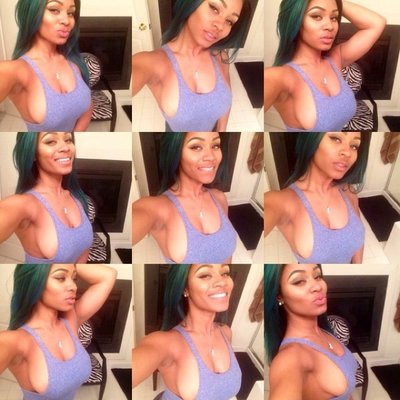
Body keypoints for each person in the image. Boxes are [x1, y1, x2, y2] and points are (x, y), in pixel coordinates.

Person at [264, 0, 386, 131]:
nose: (330, 26)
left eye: (334, 17)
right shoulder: (282, 77)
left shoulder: (336, 58)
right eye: (316, 16)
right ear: (295, 20)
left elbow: (377, 23)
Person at [0, 263, 117, 400]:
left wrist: (68, 264)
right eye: (60, 278)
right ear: (34, 282)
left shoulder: (70, 320)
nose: (74, 286)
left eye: (74, 278)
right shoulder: (16, 341)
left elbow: (108, 275)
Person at [132, 0, 251, 132]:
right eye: (214, 8)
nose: (220, 26)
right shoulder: (153, 63)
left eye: (230, 21)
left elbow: (226, 98)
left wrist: (221, 131)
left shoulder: (221, 56)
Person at [132, 264, 241, 400]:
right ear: (185, 288)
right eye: (205, 275)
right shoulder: (165, 343)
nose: (222, 282)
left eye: (225, 273)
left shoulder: (226, 332)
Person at [264, 132, 370, 264]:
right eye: (336, 139)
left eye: (354, 146)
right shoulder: (281, 202)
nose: (348, 153)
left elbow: (358, 235)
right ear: (311, 140)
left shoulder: (348, 191)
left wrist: (357, 267)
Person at [132, 132, 237, 263]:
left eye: (215, 145)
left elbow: (226, 260)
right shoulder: (157, 208)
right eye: (196, 147)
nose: (211, 156)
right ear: (175, 152)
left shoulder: (220, 198)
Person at [265, 264, 357, 400]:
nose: (318, 286)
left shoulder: (324, 331)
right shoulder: (289, 359)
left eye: (317, 276)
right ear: (279, 296)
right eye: (299, 281)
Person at [0, 132, 93, 263]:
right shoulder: (24, 204)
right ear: (32, 153)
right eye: (50, 141)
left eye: (68, 140)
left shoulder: (76, 197)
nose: (65, 147)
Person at [0, 0, 92, 132]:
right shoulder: (14, 71)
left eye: (71, 13)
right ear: (31, 14)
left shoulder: (74, 61)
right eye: (54, 10)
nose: (67, 21)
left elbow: (87, 106)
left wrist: (72, 137)